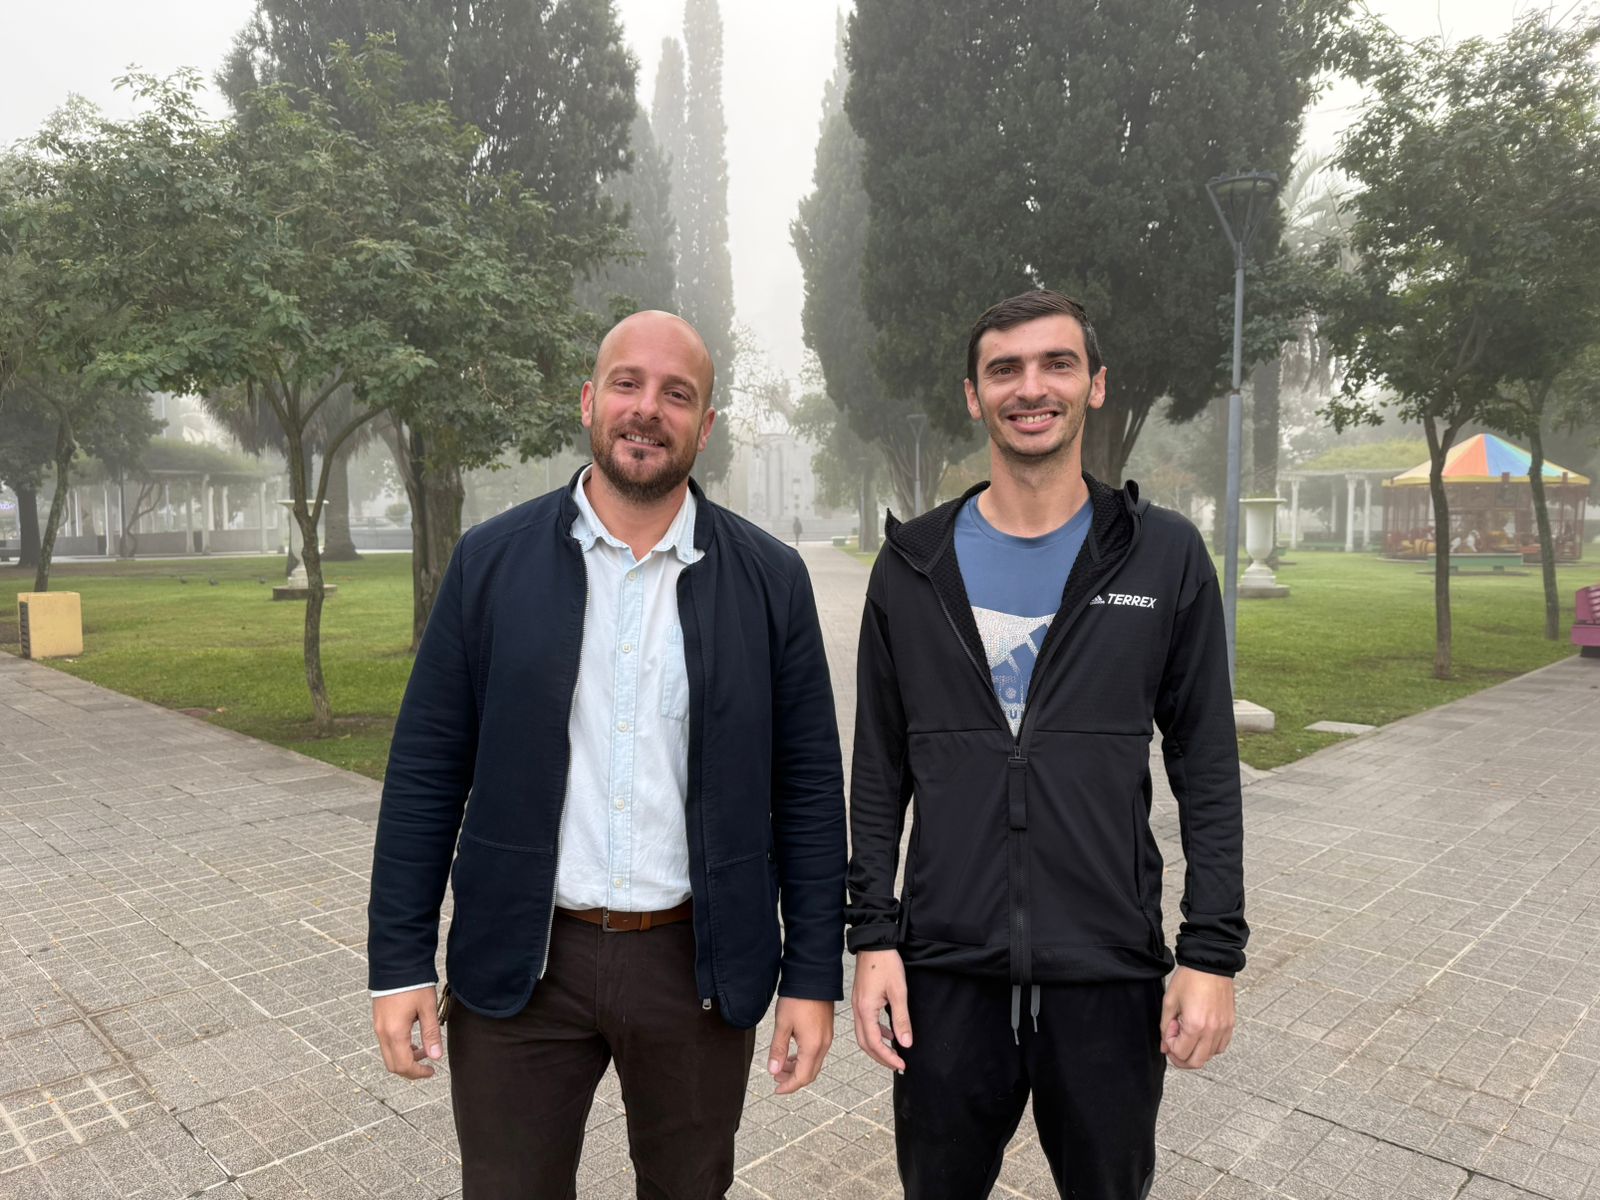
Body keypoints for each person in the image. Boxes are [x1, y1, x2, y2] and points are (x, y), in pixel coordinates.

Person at [367, 310, 847, 1200]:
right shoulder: (489, 564)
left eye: (677, 394)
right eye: (628, 383)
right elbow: (426, 773)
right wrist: (399, 963)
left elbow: (811, 791)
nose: (647, 409)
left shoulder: (770, 581)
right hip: (522, 963)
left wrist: (812, 976)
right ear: (590, 400)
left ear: (705, 426)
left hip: (696, 967)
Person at [846, 290, 1246, 1199]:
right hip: (945, 977)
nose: (1032, 388)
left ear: (1095, 384)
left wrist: (1211, 952)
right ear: (973, 395)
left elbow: (1207, 767)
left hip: (1107, 972)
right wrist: (872, 939)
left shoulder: (1162, 556)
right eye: (1005, 370)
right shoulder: (911, 566)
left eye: (1056, 364)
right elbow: (878, 771)